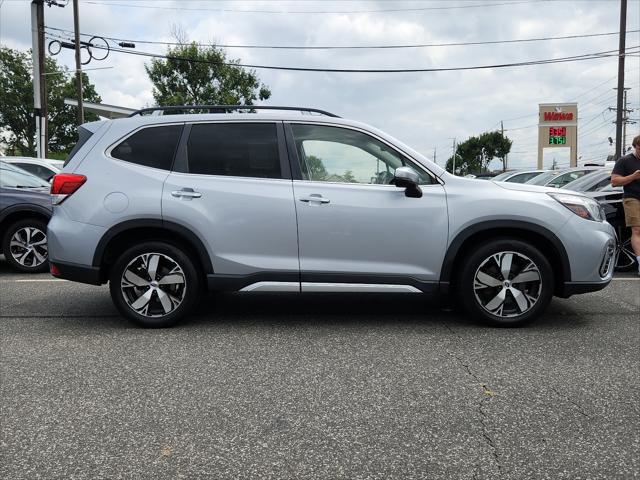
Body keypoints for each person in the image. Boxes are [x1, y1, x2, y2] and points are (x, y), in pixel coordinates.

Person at [611, 134, 640, 276]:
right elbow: (614, 181)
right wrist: (633, 176)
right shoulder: (625, 161)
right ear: (635, 147)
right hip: (632, 198)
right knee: (637, 230)